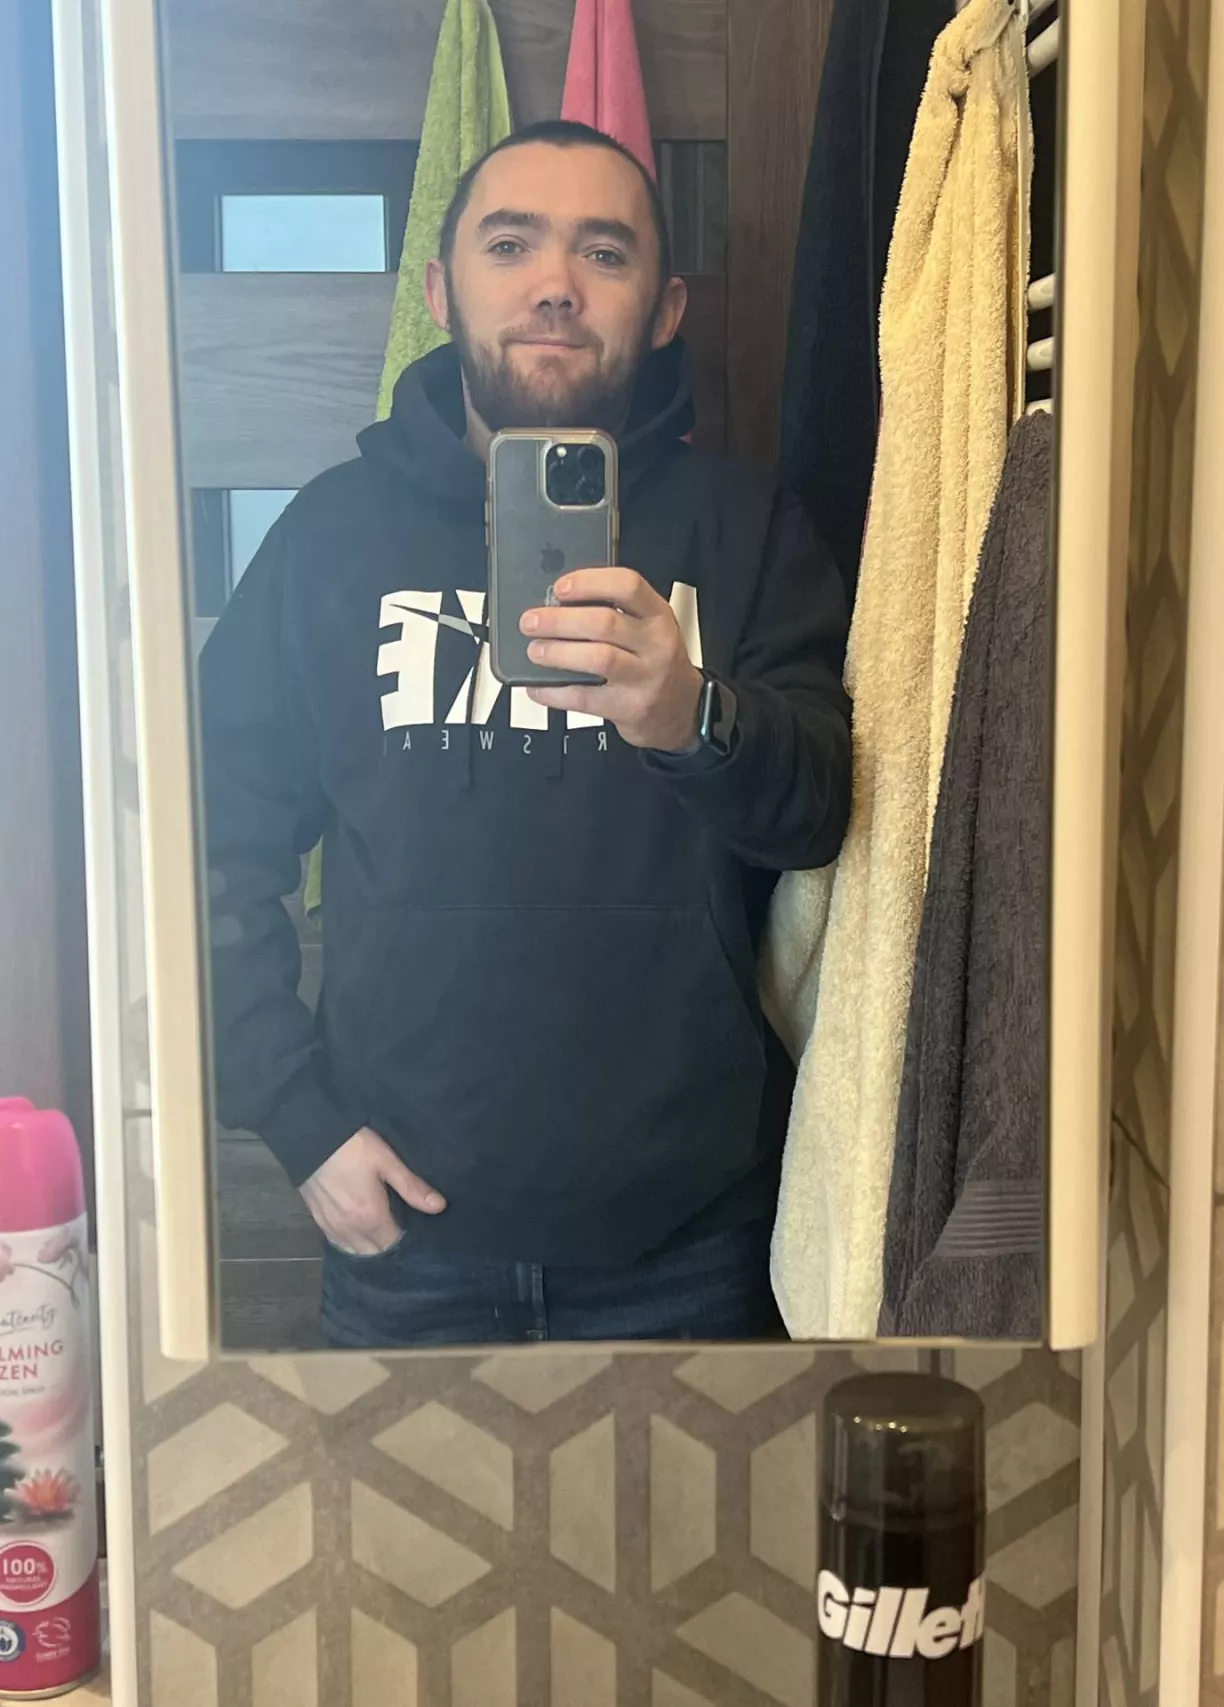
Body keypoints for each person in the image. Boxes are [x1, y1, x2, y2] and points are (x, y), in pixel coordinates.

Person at [199, 120, 852, 1348]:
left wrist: (691, 717)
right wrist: (295, 1118)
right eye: (511, 245)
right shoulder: (330, 539)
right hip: (402, 1241)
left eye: (603, 252)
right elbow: (204, 847)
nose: (555, 283)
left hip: (688, 1238)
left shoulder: (746, 528)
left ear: (664, 308)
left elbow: (820, 815)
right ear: (441, 291)